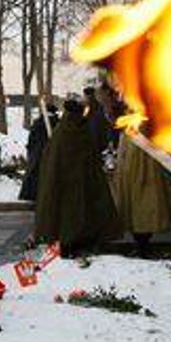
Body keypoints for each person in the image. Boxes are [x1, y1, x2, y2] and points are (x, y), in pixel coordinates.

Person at [34, 97, 123, 258]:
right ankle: (78, 242)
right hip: (80, 185)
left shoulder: (61, 133)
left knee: (68, 215)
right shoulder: (79, 131)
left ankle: (69, 243)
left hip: (66, 186)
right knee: (79, 214)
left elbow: (51, 160)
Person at [110, 119, 170, 258]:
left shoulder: (131, 133)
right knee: (142, 211)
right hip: (140, 178)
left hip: (139, 178)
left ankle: (142, 245)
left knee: (140, 211)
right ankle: (142, 246)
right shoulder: (134, 132)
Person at [18, 103, 59, 202]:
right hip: (49, 153)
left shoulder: (39, 123)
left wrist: (31, 150)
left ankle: (33, 194)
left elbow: (31, 139)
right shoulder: (57, 123)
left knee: (36, 174)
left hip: (38, 153)